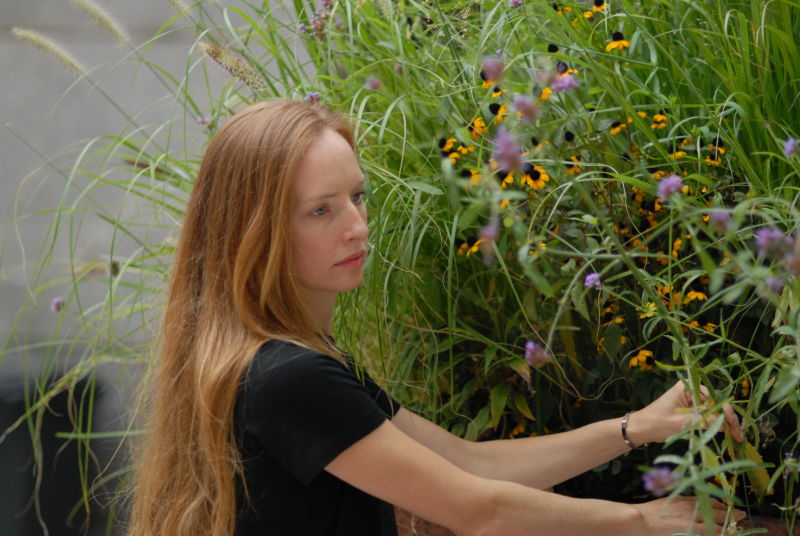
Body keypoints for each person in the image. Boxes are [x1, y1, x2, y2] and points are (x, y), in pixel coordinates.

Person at [126, 99, 746, 536]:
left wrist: (638, 425)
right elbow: (477, 510)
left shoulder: (298, 359)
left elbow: (467, 462)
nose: (357, 225)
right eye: (321, 210)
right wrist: (642, 523)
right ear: (256, 230)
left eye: (357, 197)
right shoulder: (286, 376)